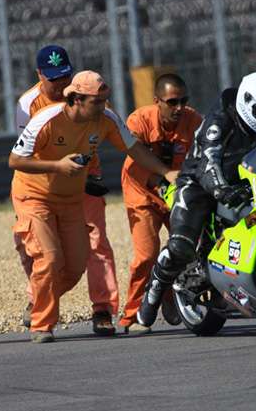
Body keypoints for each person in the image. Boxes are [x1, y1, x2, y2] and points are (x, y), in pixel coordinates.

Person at [9, 70, 179, 343]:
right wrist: (57, 166)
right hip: (34, 196)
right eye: (96, 102)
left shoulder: (106, 119)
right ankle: (42, 324)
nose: (103, 107)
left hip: (71, 200)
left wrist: (165, 171)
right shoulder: (46, 120)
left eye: (105, 100)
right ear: (76, 99)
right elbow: (15, 161)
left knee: (75, 266)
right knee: (50, 259)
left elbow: (134, 148)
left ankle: (40, 300)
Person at [137, 72, 256, 328]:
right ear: (248, 104)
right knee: (182, 245)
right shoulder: (220, 121)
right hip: (199, 183)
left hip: (239, 184)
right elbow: (208, 162)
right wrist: (221, 190)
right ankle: (154, 289)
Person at [12, 45, 120, 336]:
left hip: (86, 177)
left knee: (96, 242)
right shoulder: (28, 105)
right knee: (42, 251)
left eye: (65, 77)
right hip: (46, 184)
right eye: (53, 78)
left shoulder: (87, 98)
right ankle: (40, 300)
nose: (61, 85)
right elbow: (26, 158)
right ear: (39, 75)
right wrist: (60, 168)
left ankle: (102, 309)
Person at [118, 74, 203, 334]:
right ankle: (132, 315)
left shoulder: (194, 120)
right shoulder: (138, 120)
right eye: (172, 102)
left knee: (192, 248)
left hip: (178, 192)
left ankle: (172, 296)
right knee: (146, 254)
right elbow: (135, 153)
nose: (179, 108)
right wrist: (164, 174)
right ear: (157, 101)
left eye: (183, 101)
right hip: (142, 191)